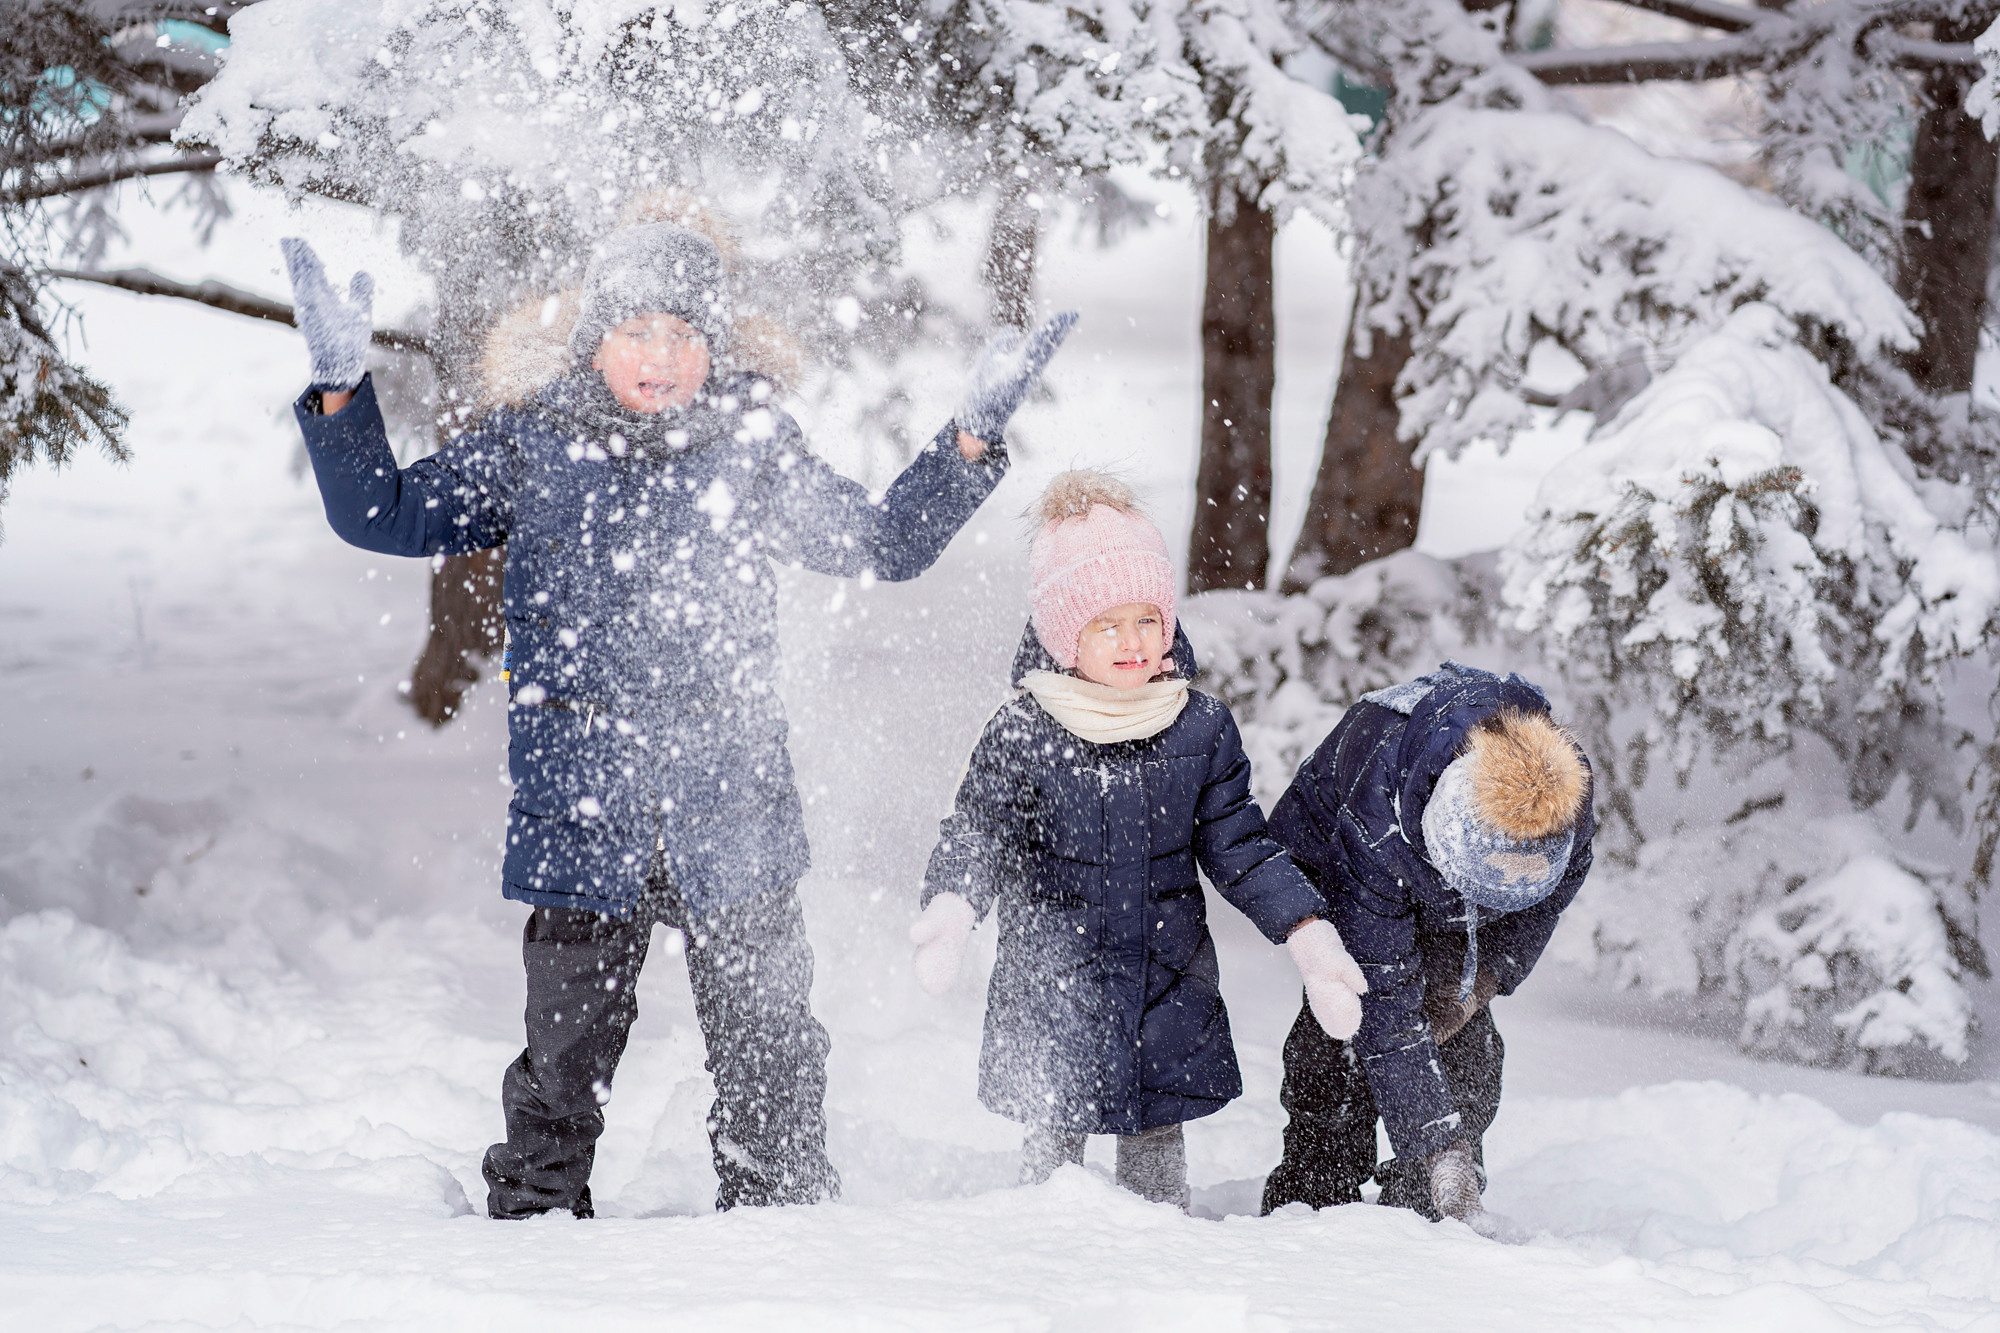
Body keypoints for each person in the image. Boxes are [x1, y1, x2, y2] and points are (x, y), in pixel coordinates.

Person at [280, 213, 1077, 1219]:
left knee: (771, 1043)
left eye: (684, 335)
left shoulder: (749, 444)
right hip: (582, 805)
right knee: (564, 1056)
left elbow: (883, 542)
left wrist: (968, 439)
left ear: (715, 345)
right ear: (594, 341)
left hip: (729, 799)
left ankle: (781, 1217)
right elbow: (380, 513)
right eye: (638, 333)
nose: (662, 357)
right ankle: (532, 1219)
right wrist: (342, 394)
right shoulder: (534, 442)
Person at [909, 471, 1369, 1209]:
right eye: (1107, 625)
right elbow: (980, 829)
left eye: (1147, 620)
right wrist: (954, 907)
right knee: (1053, 1151)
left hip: (1165, 976)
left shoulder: (1199, 726)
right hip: (1052, 979)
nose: (1133, 643)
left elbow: (1241, 846)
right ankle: (1042, 1275)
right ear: (1066, 635)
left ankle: (1164, 1278)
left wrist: (1308, 936)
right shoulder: (1025, 730)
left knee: (1156, 1141)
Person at [1257, 662, 1593, 1226]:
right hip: (1344, 867)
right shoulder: (1376, 822)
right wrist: (1438, 1143)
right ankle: (1316, 1186)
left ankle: (1430, 1205)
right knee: (1346, 1026)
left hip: (1434, 871)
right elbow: (1386, 1000)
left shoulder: (1564, 801)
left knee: (1464, 1045)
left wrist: (1484, 981)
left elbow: (1550, 898)